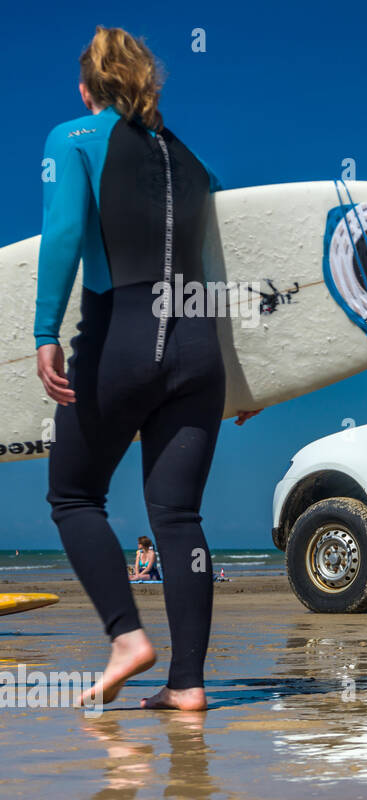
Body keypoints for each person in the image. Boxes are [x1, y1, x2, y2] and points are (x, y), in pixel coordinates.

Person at [36, 27, 230, 711]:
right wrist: (247, 376)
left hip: (123, 336)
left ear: (86, 88)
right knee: (178, 516)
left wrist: (44, 334)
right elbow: (223, 260)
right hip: (201, 348)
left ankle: (126, 637)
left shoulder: (74, 140)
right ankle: (188, 683)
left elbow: (62, 236)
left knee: (73, 495)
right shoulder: (195, 161)